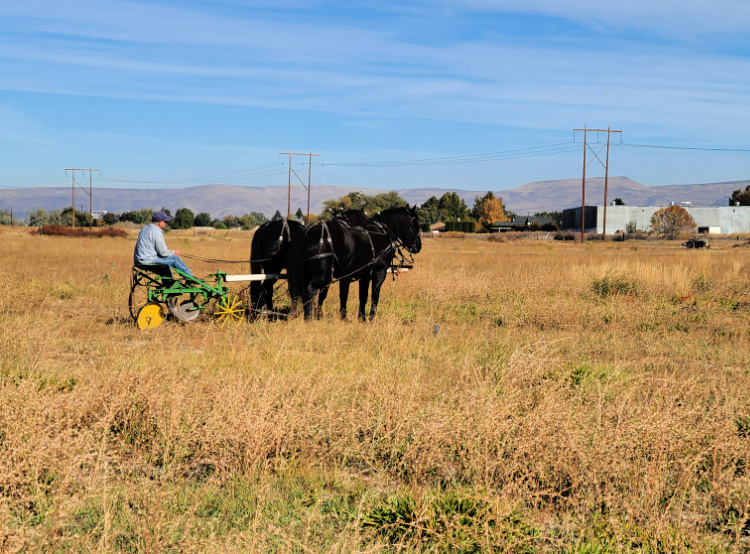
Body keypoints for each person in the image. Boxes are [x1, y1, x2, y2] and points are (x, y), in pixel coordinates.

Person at [133, 211, 193, 276]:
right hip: (148, 261)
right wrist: (174, 252)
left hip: (138, 260)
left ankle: (169, 284)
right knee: (175, 260)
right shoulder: (156, 232)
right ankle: (190, 278)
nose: (165, 223)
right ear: (160, 222)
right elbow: (163, 253)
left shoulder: (145, 228)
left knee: (167, 263)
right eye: (165, 221)